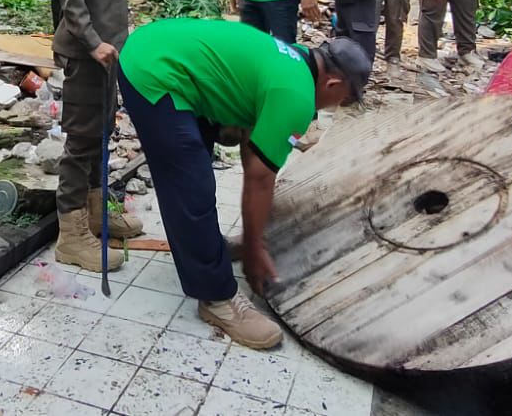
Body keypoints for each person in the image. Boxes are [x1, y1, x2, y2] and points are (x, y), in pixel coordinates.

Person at [116, 20, 372, 349]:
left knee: (194, 169)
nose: (336, 107)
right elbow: (259, 177)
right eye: (344, 100)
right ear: (333, 83)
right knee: (190, 185)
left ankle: (209, 248)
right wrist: (254, 250)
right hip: (152, 70)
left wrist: (254, 239)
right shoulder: (297, 94)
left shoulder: (295, 56)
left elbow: (253, 146)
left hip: (159, 48)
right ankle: (216, 297)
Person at [45, 0, 146, 272]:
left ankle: (93, 213)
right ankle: (71, 236)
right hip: (90, 53)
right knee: (82, 141)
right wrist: (93, 41)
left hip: (105, 53)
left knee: (99, 134)